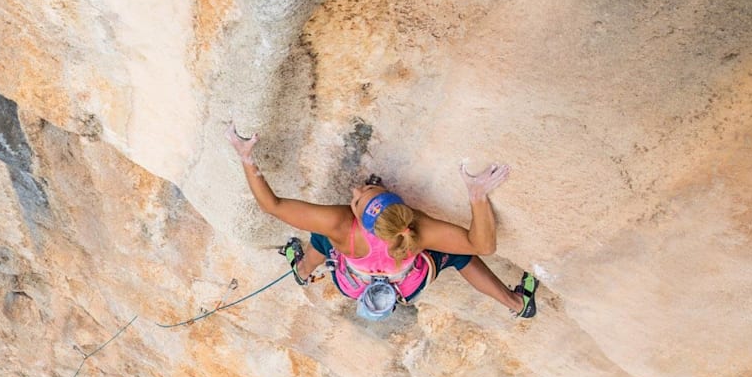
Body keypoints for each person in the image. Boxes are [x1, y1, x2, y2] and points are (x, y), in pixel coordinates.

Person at [226, 123, 538, 318]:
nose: (356, 189)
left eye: (359, 198)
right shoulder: (417, 228)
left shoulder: (340, 225)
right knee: (458, 253)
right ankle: (515, 304)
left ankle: (303, 271)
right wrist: (477, 197)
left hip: (354, 284)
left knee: (322, 238)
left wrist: (245, 156)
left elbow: (273, 205)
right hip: (407, 284)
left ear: (360, 221)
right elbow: (481, 246)